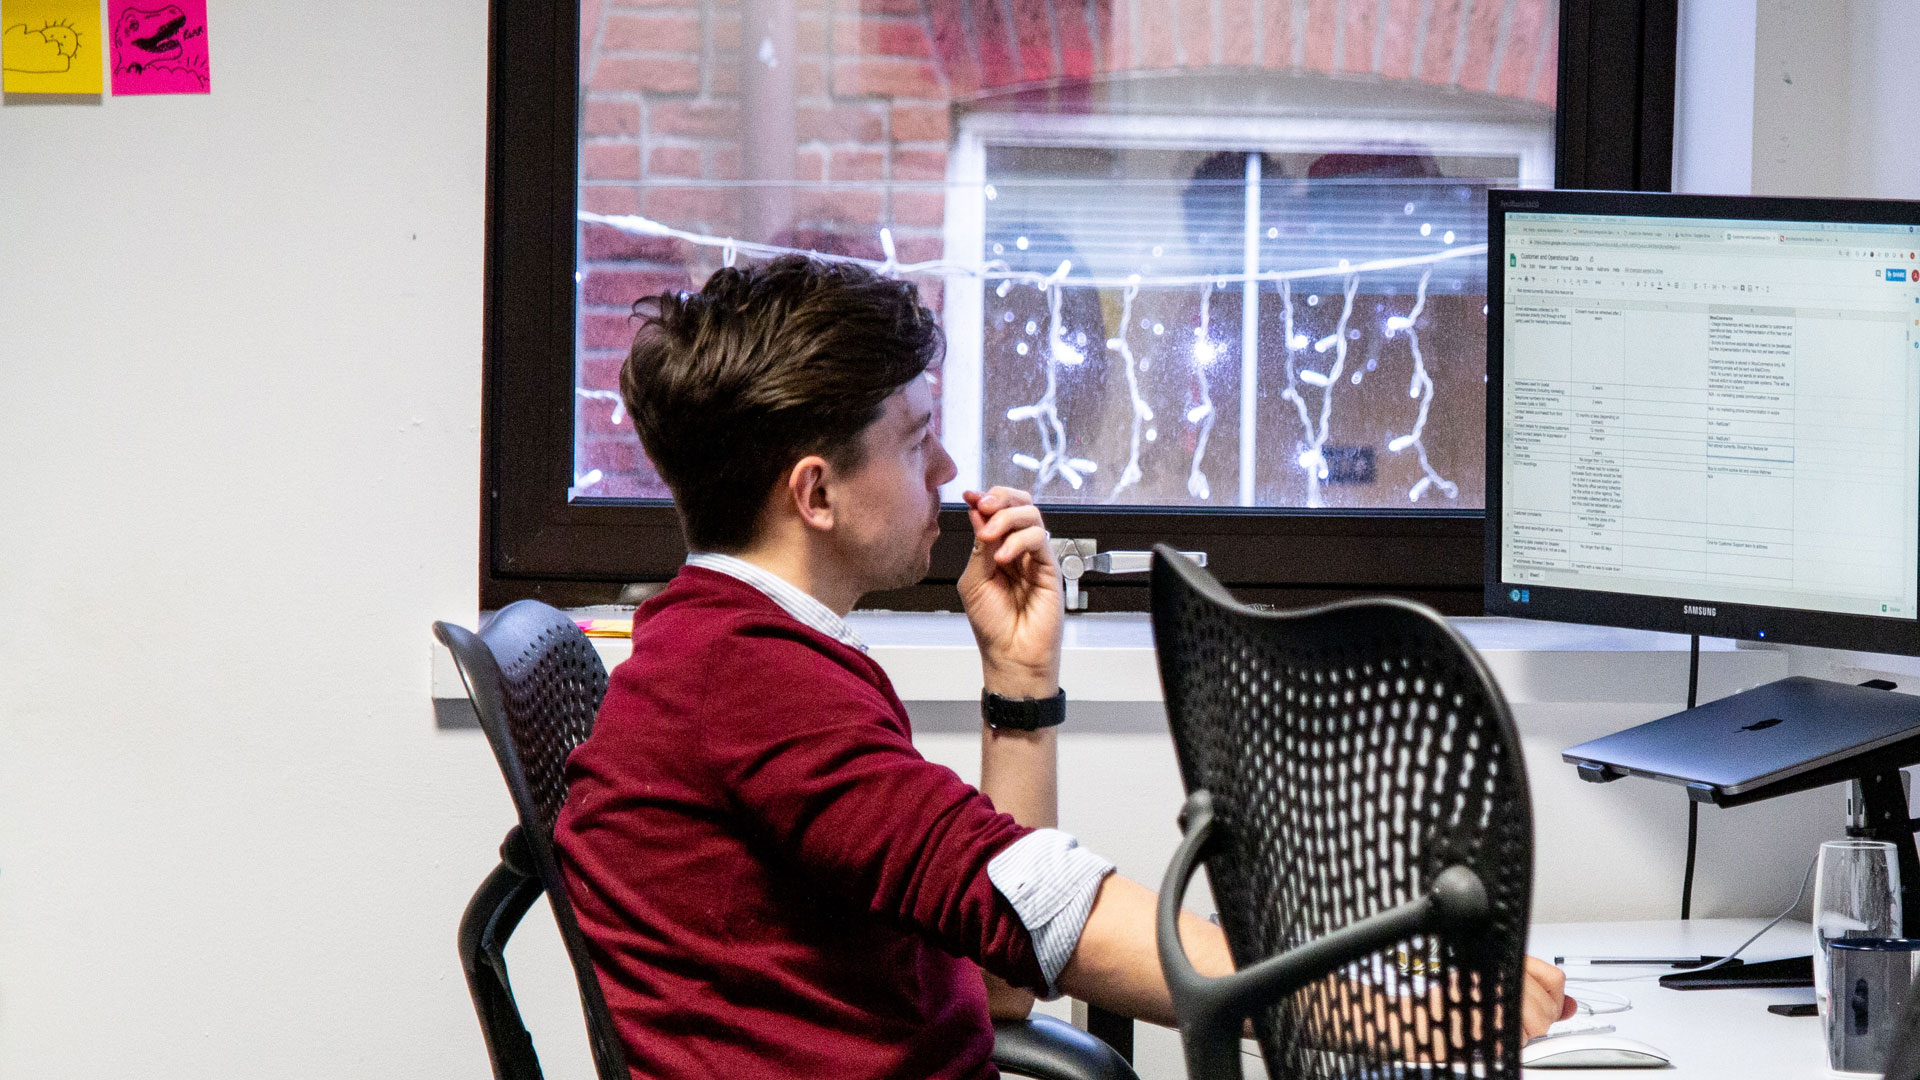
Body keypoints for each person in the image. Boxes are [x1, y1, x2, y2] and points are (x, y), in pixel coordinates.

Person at [553, 255, 1571, 1079]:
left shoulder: (729, 646)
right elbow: (1034, 900)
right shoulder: (750, 685)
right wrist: (1402, 1014)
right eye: (916, 445)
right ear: (816, 494)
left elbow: (999, 976)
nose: (949, 474)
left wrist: (1019, 681)